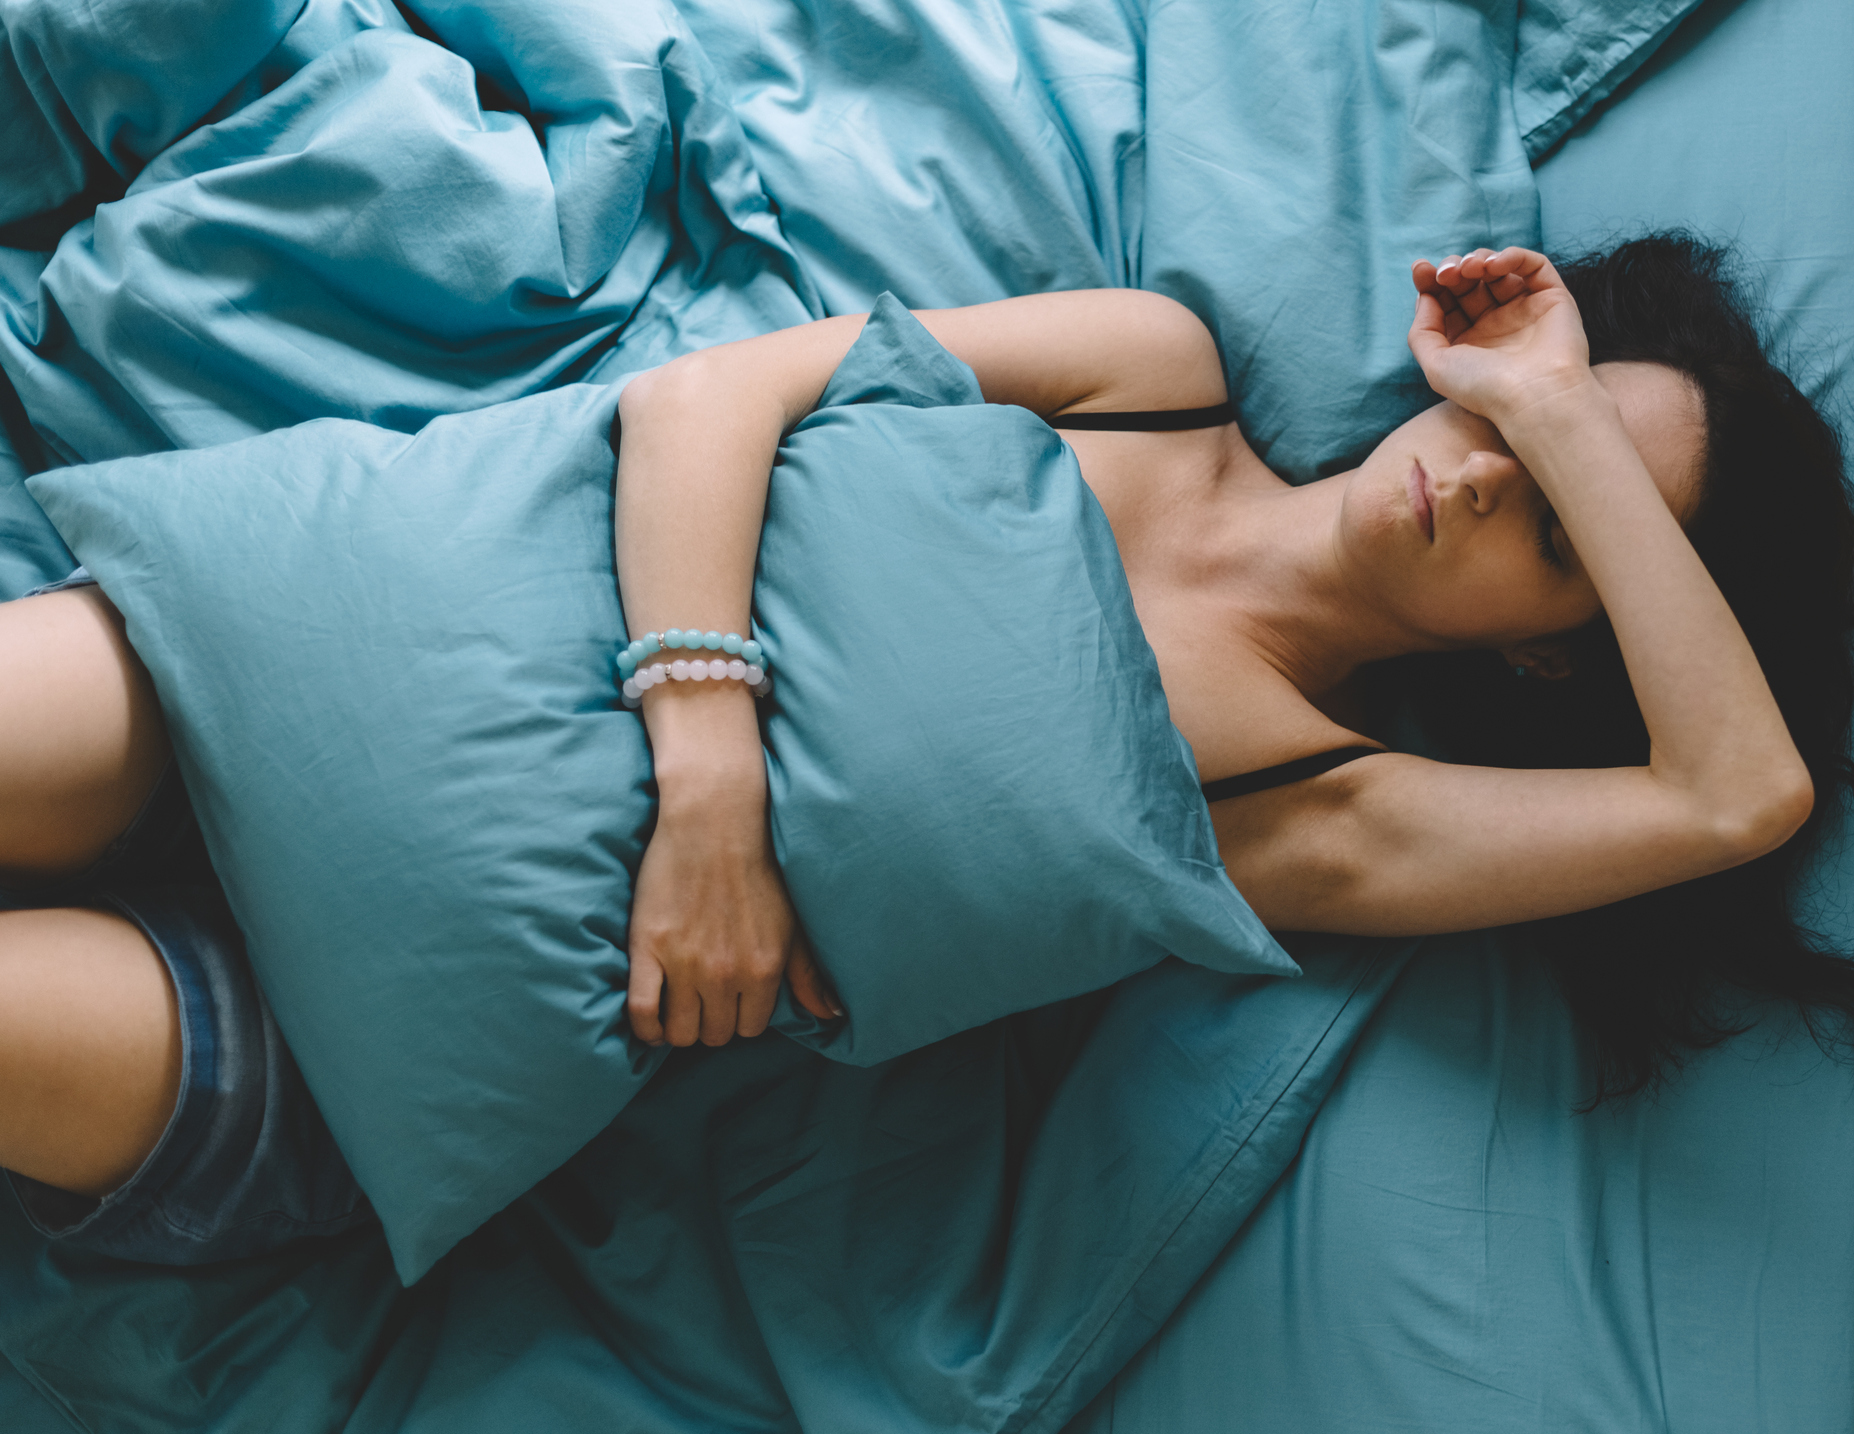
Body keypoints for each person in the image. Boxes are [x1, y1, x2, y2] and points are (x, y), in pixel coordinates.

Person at [1, 234, 1848, 1259]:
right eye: (1498, 422)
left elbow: (1731, 796)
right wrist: (708, 772)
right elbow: (712, 395)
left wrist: (1562, 404)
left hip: (354, 1040)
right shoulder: (1150, 363)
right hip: (312, 659)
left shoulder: (1319, 809)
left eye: (1553, 516)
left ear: (1555, 658)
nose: (1472, 469)